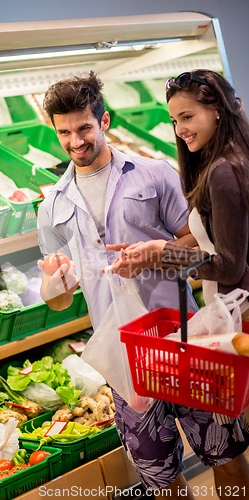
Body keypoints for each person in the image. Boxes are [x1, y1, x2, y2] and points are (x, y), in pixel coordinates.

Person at [35, 70, 246, 499]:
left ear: (104, 121)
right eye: (64, 133)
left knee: (225, 454)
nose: (76, 141)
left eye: (84, 128)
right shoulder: (52, 204)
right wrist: (54, 283)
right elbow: (60, 302)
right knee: (159, 476)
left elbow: (195, 238)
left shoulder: (153, 174)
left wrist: (158, 252)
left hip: (185, 338)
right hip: (123, 359)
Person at [107, 70, 249, 499]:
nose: (180, 129)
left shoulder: (225, 171)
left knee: (230, 446)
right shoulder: (229, 160)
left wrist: (163, 254)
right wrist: (162, 245)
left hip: (240, 315)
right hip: (232, 315)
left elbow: (229, 266)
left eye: (188, 116)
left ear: (217, 110)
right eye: (173, 120)